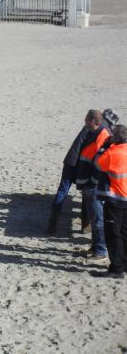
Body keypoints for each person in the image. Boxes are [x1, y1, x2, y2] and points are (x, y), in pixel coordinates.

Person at [47, 107, 119, 235]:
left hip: (71, 160)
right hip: (79, 162)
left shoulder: (94, 127)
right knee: (85, 191)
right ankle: (85, 226)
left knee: (62, 191)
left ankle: (51, 227)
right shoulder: (101, 130)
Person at [76, 110, 113, 263]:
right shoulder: (94, 133)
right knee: (94, 219)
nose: (84, 121)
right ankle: (95, 247)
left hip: (94, 186)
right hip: (89, 185)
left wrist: (91, 181)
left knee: (98, 220)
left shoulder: (101, 136)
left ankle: (100, 251)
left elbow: (100, 165)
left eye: (86, 119)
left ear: (92, 121)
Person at [91, 125, 127, 279]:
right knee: (125, 233)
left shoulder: (112, 153)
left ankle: (116, 269)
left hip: (116, 201)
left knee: (113, 235)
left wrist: (105, 146)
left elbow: (97, 163)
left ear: (115, 138)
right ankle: (124, 265)